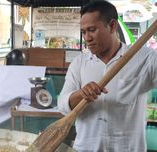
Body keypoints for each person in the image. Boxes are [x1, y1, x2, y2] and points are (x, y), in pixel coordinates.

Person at [57, 1, 157, 152]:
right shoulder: (79, 63)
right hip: (86, 148)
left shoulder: (145, 59)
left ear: (112, 26)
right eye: (83, 32)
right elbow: (63, 105)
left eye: (91, 30)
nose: (87, 38)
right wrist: (81, 94)